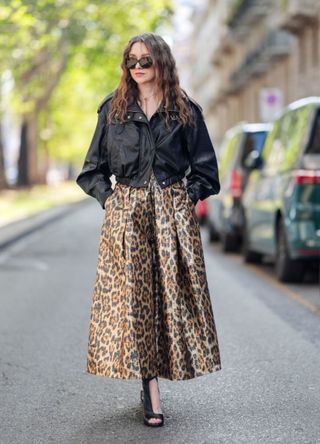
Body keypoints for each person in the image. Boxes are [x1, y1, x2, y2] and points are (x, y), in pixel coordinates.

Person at [76, 32, 222, 427]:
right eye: (131, 61)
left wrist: (183, 198)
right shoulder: (114, 110)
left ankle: (163, 374)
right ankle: (151, 391)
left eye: (145, 60)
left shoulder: (185, 111)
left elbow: (207, 173)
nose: (138, 67)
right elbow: (90, 172)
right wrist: (113, 202)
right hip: (130, 219)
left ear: (162, 63)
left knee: (169, 303)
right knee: (136, 304)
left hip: (172, 219)